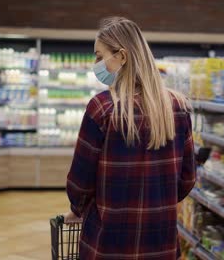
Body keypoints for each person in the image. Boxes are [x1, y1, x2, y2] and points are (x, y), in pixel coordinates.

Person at [64, 16, 195, 260]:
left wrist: (78, 209)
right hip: (160, 243)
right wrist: (156, 204)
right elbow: (187, 178)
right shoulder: (177, 106)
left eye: (100, 56)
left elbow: (80, 183)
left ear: (122, 56)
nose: (96, 64)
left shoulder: (102, 108)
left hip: (108, 244)